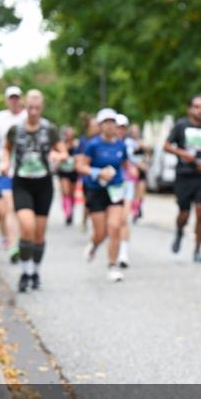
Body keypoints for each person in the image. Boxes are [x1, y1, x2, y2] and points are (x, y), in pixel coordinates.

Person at [0, 90, 66, 292]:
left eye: (38, 108)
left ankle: (35, 271)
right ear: (24, 107)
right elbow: (6, 148)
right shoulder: (15, 129)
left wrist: (59, 156)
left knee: (39, 234)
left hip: (43, 184)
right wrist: (4, 162)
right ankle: (25, 271)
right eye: (30, 107)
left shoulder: (50, 129)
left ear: (42, 108)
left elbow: (63, 151)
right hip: (22, 183)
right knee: (26, 227)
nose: (34, 111)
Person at [165, 95, 201, 263]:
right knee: (184, 214)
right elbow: (166, 145)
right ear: (190, 109)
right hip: (183, 175)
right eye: (197, 106)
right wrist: (183, 153)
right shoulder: (181, 125)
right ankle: (179, 231)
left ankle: (197, 250)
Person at [76, 108, 130, 282]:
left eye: (112, 122)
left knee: (115, 227)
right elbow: (81, 166)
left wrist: (130, 174)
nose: (110, 126)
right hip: (96, 190)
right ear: (100, 125)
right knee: (101, 232)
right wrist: (98, 172)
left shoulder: (121, 144)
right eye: (106, 122)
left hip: (115, 190)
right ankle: (94, 245)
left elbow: (125, 164)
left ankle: (112, 266)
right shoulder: (93, 145)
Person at [0, 86, 26, 263]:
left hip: (24, 170)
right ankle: (13, 244)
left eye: (17, 98)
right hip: (5, 169)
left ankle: (17, 240)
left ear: (21, 99)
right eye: (11, 98)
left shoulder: (27, 117)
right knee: (7, 209)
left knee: (16, 210)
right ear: (6, 100)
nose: (14, 101)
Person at [116, 113, 135, 268]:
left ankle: (123, 253)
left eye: (122, 127)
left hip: (126, 184)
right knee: (112, 223)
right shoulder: (103, 143)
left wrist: (134, 167)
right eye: (117, 127)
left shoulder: (129, 144)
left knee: (124, 219)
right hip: (110, 186)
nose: (119, 130)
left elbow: (131, 162)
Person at [56, 126, 79, 226]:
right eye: (67, 133)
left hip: (73, 171)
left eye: (71, 133)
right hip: (63, 171)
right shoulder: (61, 144)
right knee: (65, 192)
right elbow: (57, 155)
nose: (69, 135)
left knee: (72, 193)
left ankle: (72, 210)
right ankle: (67, 213)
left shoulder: (76, 144)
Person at [128, 123, 147, 222]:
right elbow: (129, 156)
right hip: (134, 169)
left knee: (142, 191)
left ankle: (139, 208)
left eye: (137, 131)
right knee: (135, 192)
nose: (135, 133)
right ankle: (135, 212)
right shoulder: (129, 142)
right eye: (133, 131)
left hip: (142, 169)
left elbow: (147, 155)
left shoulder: (141, 142)